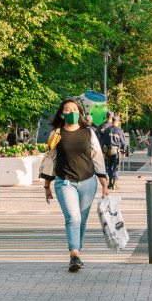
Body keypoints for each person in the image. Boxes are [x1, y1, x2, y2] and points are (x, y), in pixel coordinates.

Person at [40, 98, 109, 272]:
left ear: (79, 112)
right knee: (74, 218)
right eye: (67, 110)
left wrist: (104, 184)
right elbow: (50, 159)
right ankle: (74, 255)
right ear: (62, 115)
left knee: (82, 221)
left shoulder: (89, 132)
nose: (71, 112)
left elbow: (97, 157)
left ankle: (77, 252)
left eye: (74, 109)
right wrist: (47, 186)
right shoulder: (56, 134)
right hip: (65, 182)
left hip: (88, 181)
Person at [102, 114, 127, 190]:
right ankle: (114, 184)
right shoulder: (119, 131)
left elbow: (103, 141)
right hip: (116, 151)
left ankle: (109, 183)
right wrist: (124, 151)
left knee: (109, 166)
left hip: (108, 150)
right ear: (117, 122)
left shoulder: (107, 130)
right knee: (116, 167)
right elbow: (123, 142)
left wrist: (103, 152)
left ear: (112, 121)